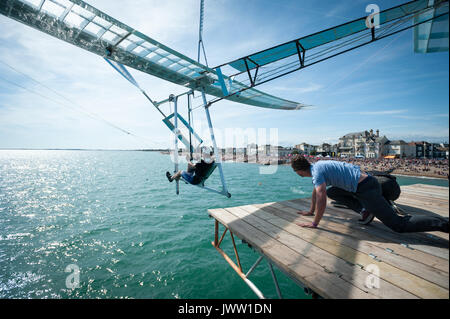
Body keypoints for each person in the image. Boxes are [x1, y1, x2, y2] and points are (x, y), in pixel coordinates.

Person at [291, 155, 449, 233]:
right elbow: (316, 191)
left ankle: (444, 224)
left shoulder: (317, 172)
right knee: (332, 191)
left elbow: (321, 198)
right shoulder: (317, 166)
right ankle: (365, 211)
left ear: (298, 172)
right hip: (365, 183)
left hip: (367, 188)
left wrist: (315, 223)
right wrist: (311, 211)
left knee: (399, 225)